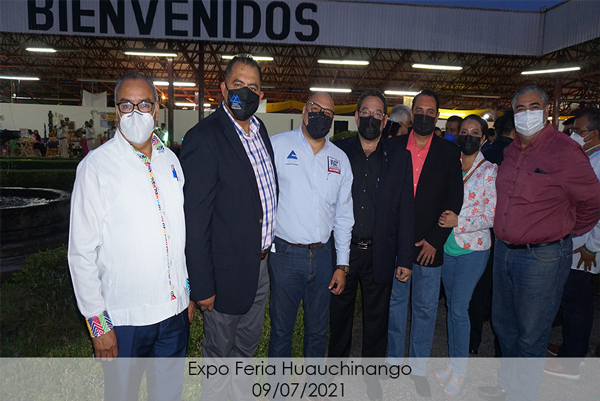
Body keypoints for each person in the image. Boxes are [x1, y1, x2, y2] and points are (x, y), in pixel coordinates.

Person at [68, 72, 193, 401]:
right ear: (116, 110)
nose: (136, 112)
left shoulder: (171, 162)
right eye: (127, 105)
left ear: (156, 109)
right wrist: (98, 326)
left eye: (144, 104)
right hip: (124, 322)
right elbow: (81, 253)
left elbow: (176, 234)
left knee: (169, 395)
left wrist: (186, 293)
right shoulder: (96, 167)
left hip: (173, 317)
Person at [477, 86, 600, 401]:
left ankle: (522, 394)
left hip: (542, 257)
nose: (526, 113)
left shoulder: (565, 151)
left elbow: (592, 202)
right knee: (504, 327)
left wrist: (566, 232)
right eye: (520, 108)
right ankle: (508, 386)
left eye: (533, 106)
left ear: (545, 112)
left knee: (531, 334)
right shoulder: (510, 151)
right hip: (504, 251)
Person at [180, 55, 277, 400]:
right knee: (220, 353)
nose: (244, 92)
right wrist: (202, 285)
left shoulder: (261, 130)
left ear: (261, 95)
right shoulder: (204, 137)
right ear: (222, 89)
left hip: (259, 266)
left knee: (247, 349)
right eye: (238, 84)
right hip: (223, 274)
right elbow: (195, 220)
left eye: (252, 87)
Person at [330, 89, 414, 401]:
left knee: (377, 320)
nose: (371, 117)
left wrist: (405, 257)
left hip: (381, 252)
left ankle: (372, 378)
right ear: (356, 116)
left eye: (378, 113)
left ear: (384, 120)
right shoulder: (338, 152)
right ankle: (335, 370)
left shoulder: (400, 157)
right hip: (343, 252)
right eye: (365, 112)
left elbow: (406, 209)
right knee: (339, 315)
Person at [387, 89, 463, 397]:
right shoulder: (392, 147)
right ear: (411, 112)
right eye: (419, 110)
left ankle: (418, 369)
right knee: (395, 305)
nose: (424, 116)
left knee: (425, 309)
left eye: (431, 112)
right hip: (396, 243)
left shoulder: (448, 153)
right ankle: (393, 363)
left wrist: (435, 240)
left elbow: (454, 200)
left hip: (430, 245)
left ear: (437, 116)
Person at [268, 91, 352, 358]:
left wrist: (342, 265)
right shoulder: (277, 146)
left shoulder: (340, 160)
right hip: (285, 255)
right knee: (281, 332)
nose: (321, 115)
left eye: (328, 113)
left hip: (323, 257)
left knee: (318, 332)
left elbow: (343, 216)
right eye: (316, 109)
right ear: (304, 111)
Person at [435, 115, 497, 397]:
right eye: (464, 131)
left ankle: (460, 371)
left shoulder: (490, 171)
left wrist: (458, 221)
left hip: (473, 249)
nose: (468, 136)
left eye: (475, 132)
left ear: (483, 138)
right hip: (448, 247)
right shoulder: (451, 164)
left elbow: (492, 215)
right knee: (452, 307)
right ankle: (453, 363)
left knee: (459, 309)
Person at [543, 107, 600, 380]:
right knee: (572, 298)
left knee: (577, 300)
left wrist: (592, 246)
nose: (574, 135)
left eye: (579, 131)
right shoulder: (588, 157)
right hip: (577, 241)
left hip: (585, 246)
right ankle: (571, 349)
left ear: (595, 133)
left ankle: (571, 362)